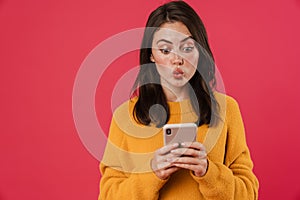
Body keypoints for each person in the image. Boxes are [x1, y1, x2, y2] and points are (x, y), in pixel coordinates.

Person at [99, 1, 259, 199]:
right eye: (165, 50)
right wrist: (152, 173)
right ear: (151, 54)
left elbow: (249, 193)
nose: (177, 60)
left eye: (187, 47)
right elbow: (108, 196)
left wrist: (208, 172)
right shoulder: (125, 116)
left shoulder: (226, 109)